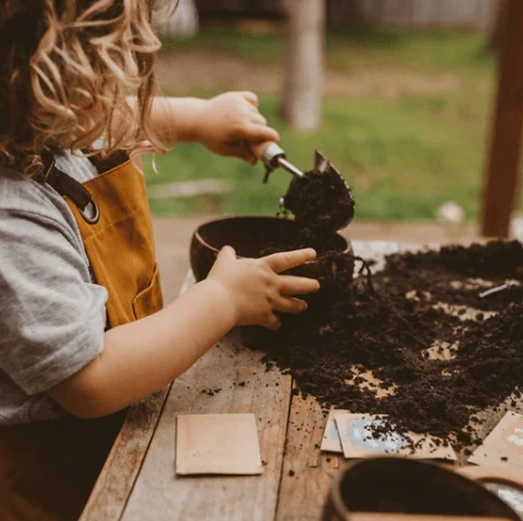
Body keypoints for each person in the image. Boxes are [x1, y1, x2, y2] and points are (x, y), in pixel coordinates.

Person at [0, 1, 320, 520]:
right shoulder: (11, 218)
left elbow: (102, 119)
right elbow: (89, 380)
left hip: (122, 426)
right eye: (111, 61)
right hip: (56, 477)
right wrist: (219, 300)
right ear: (33, 77)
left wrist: (196, 117)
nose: (128, 76)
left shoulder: (42, 126)